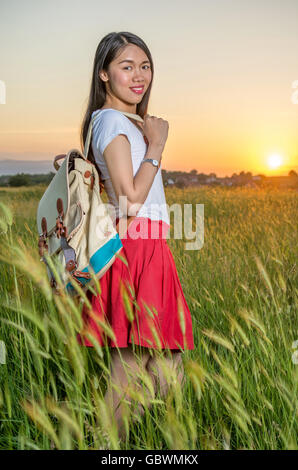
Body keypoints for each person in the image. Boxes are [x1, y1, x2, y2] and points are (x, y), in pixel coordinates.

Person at [77, 31, 195, 442]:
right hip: (136, 247)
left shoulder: (116, 121)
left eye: (145, 66)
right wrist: (157, 145)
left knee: (165, 366)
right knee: (130, 368)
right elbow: (129, 200)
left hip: (148, 246)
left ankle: (132, 440)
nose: (139, 75)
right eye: (127, 67)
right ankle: (109, 444)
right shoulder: (111, 120)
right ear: (104, 74)